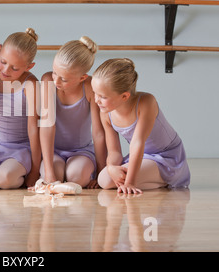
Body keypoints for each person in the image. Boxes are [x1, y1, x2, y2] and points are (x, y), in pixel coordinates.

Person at [91, 58, 190, 194]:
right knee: (104, 180)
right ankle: (151, 179)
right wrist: (111, 167)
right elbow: (114, 151)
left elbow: (137, 142)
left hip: (165, 156)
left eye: (102, 96)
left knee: (121, 181)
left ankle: (167, 179)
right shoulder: (106, 113)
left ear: (124, 96)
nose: (96, 100)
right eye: (94, 93)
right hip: (141, 156)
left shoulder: (146, 102)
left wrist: (130, 182)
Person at [0, 28, 41, 189]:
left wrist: (35, 170)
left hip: (23, 149)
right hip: (0, 147)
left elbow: (34, 128)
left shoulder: (30, 84)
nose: (5, 70)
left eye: (15, 68)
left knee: (4, 179)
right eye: (3, 62)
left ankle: (19, 171)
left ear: (29, 66)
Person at [39, 37, 106, 189]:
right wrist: (48, 172)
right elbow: (47, 126)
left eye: (63, 79)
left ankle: (88, 170)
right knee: (53, 176)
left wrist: (101, 171)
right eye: (55, 72)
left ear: (82, 78)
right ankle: (50, 169)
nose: (56, 81)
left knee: (76, 178)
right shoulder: (48, 81)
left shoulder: (89, 86)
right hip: (54, 151)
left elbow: (98, 132)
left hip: (81, 151)